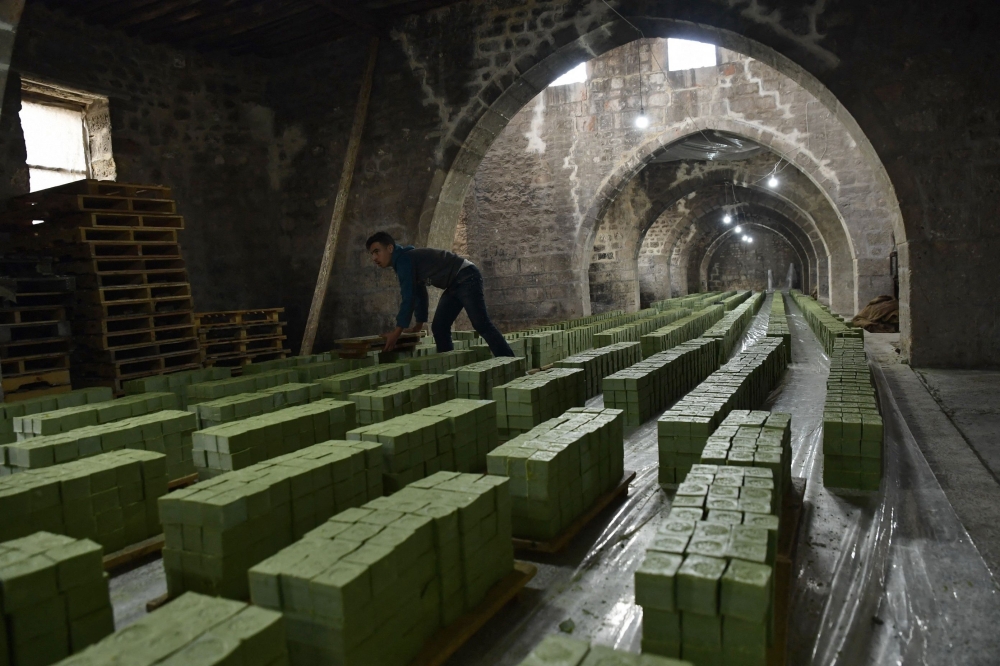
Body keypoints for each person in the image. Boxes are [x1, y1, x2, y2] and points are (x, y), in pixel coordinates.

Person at [365, 231, 514, 357]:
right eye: (371, 254)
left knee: (481, 324)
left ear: (390, 248)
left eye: (377, 251)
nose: (374, 258)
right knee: (440, 326)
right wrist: (419, 323)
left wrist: (396, 332)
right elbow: (419, 293)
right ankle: (449, 368)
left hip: (466, 276)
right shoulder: (406, 260)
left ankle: (511, 363)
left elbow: (408, 297)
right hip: (455, 283)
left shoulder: (404, 260)